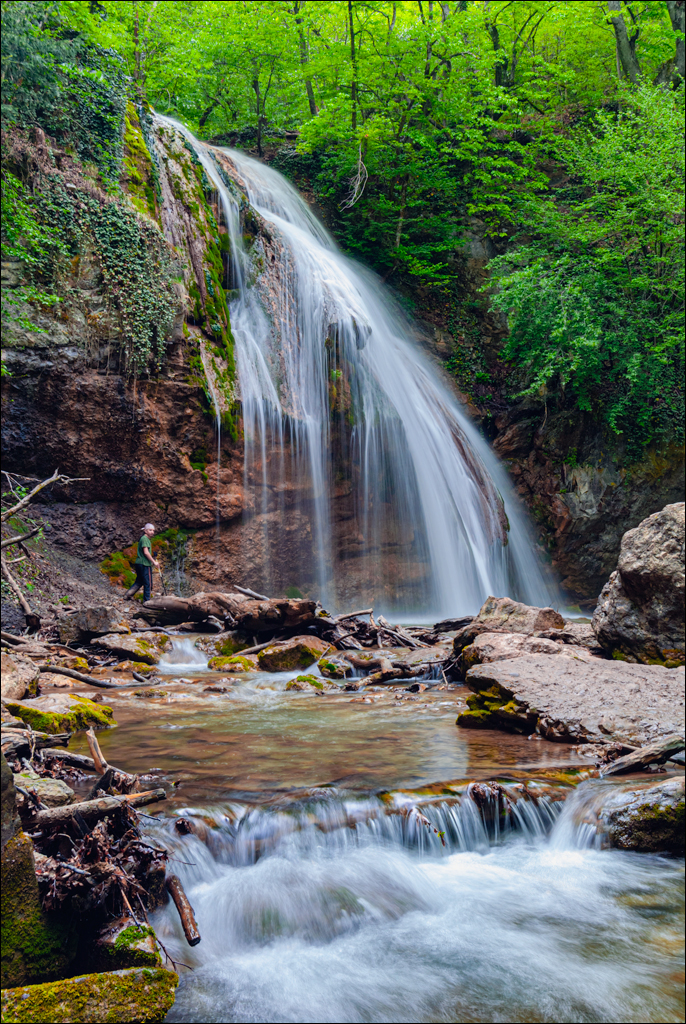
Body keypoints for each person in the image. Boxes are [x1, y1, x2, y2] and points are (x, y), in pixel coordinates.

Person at [124, 523, 159, 602]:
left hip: (139, 563)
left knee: (139, 581)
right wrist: (154, 562)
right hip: (145, 564)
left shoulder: (143, 538)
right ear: (145, 531)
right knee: (148, 583)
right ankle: (147, 602)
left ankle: (128, 595)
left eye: (153, 530)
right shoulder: (145, 539)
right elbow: (146, 552)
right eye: (150, 530)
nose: (152, 532)